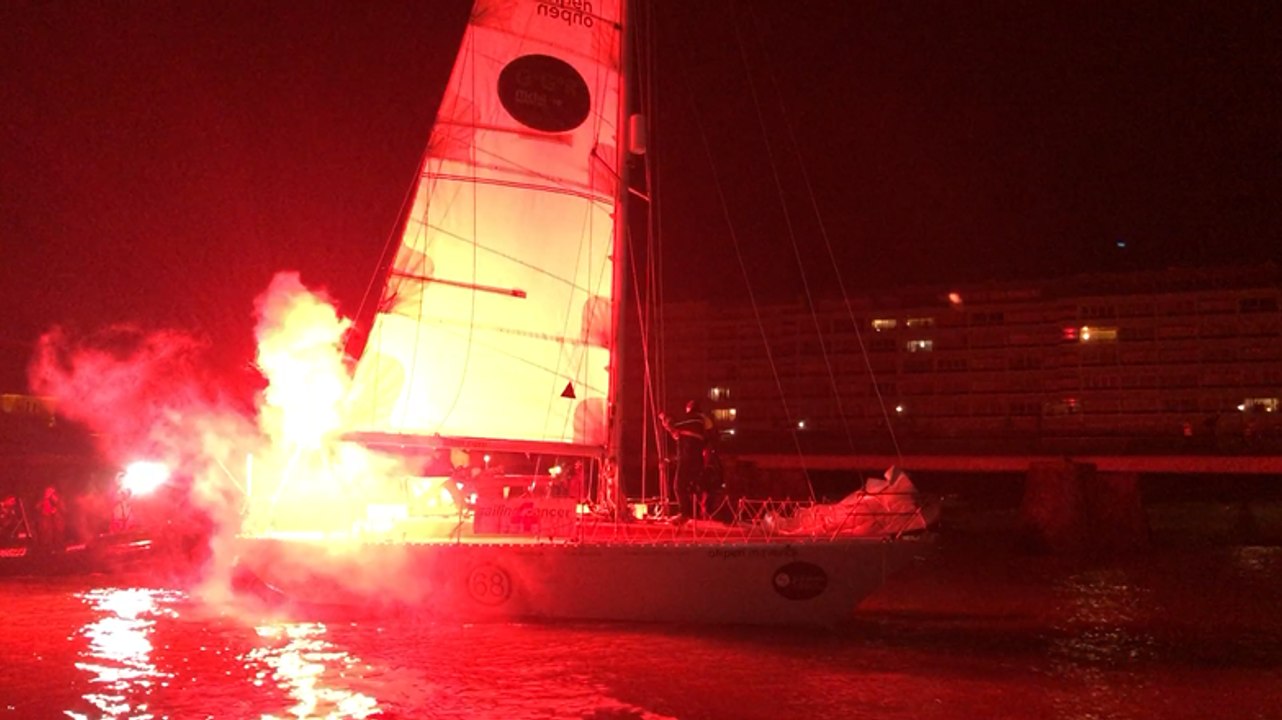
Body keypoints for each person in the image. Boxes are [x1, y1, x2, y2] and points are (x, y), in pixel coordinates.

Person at [660, 399, 714, 520]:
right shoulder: (703, 423)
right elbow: (677, 433)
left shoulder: (693, 419)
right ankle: (699, 513)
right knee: (694, 487)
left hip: (687, 458)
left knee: (678, 486)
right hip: (698, 459)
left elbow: (674, 426)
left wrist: (665, 419)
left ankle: (685, 513)